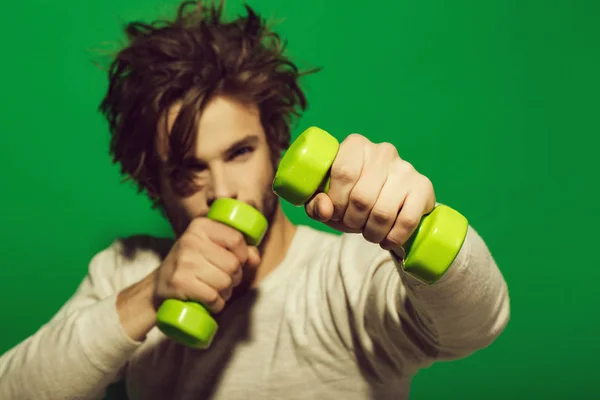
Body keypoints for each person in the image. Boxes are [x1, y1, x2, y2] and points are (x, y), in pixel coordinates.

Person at [0, 1, 510, 399]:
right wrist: (153, 292)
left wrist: (416, 228)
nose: (223, 192)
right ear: (153, 185)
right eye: (188, 170)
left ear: (277, 149)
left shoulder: (347, 273)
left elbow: (479, 325)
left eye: (240, 152)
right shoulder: (124, 270)